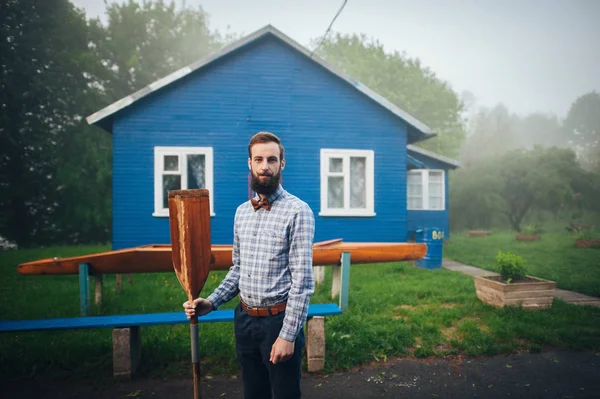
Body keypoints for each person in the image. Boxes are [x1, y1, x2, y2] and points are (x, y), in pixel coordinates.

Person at [183, 131, 315, 399]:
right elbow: (238, 268)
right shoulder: (242, 212)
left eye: (272, 159)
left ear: (282, 164)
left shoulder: (298, 211)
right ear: (250, 163)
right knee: (254, 393)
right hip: (244, 318)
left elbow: (302, 282)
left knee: (285, 394)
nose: (265, 166)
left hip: (278, 321)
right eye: (259, 159)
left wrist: (288, 335)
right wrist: (211, 301)